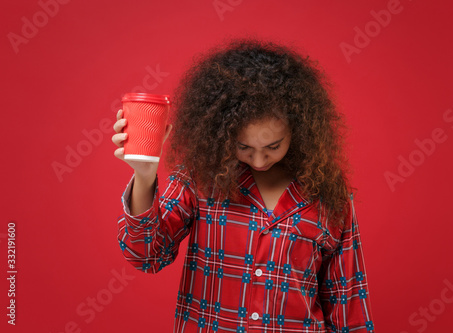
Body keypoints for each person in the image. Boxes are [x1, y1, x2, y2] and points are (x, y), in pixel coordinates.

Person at [112, 38, 376, 332]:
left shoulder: (327, 194)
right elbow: (146, 255)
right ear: (222, 134)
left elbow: (347, 303)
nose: (260, 160)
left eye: (273, 146)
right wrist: (145, 175)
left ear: (298, 130)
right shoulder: (200, 178)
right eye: (244, 147)